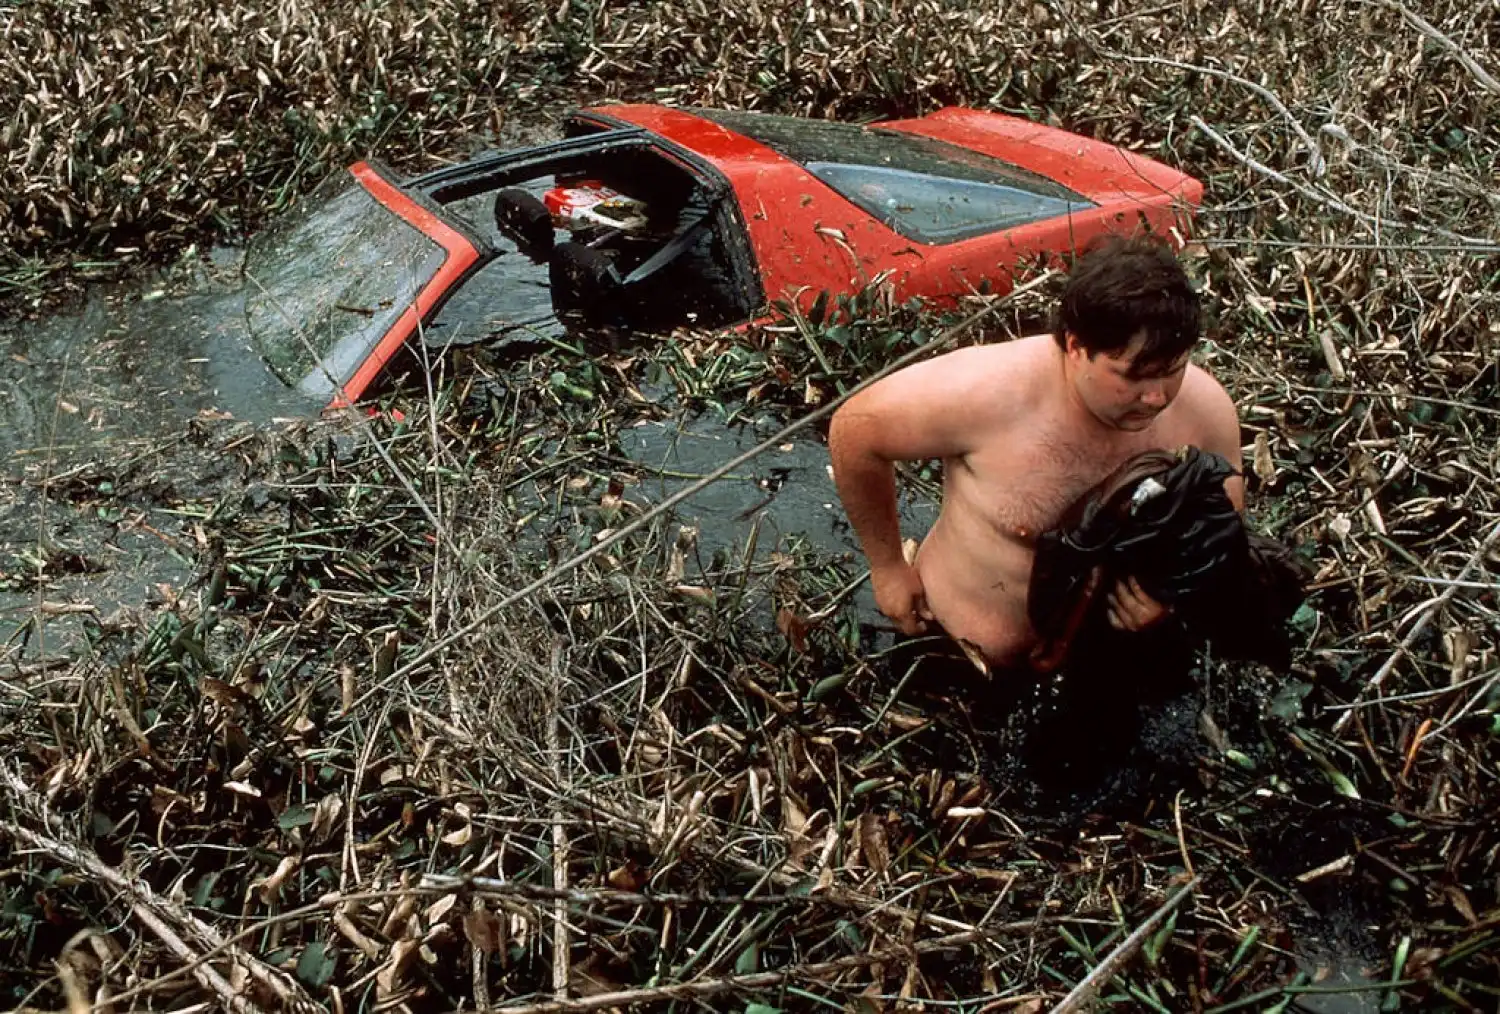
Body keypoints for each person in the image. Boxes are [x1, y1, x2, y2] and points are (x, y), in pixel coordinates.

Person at [828, 235, 1245, 673]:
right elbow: (854, 431)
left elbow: (1223, 528)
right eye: (1134, 376)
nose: (1157, 397)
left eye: (1172, 370)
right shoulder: (984, 393)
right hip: (955, 653)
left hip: (1104, 667)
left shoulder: (1206, 410)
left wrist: (1168, 598)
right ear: (1076, 347)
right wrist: (888, 568)